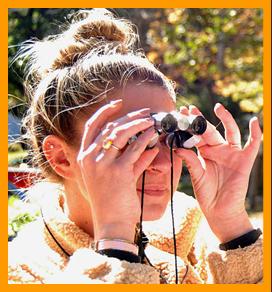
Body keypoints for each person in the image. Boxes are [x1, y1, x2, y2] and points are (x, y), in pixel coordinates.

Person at [8, 9, 263, 284]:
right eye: (133, 139)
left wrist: (234, 229)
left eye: (169, 138)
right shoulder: (19, 270)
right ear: (61, 158)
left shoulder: (190, 229)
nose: (163, 164)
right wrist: (116, 246)